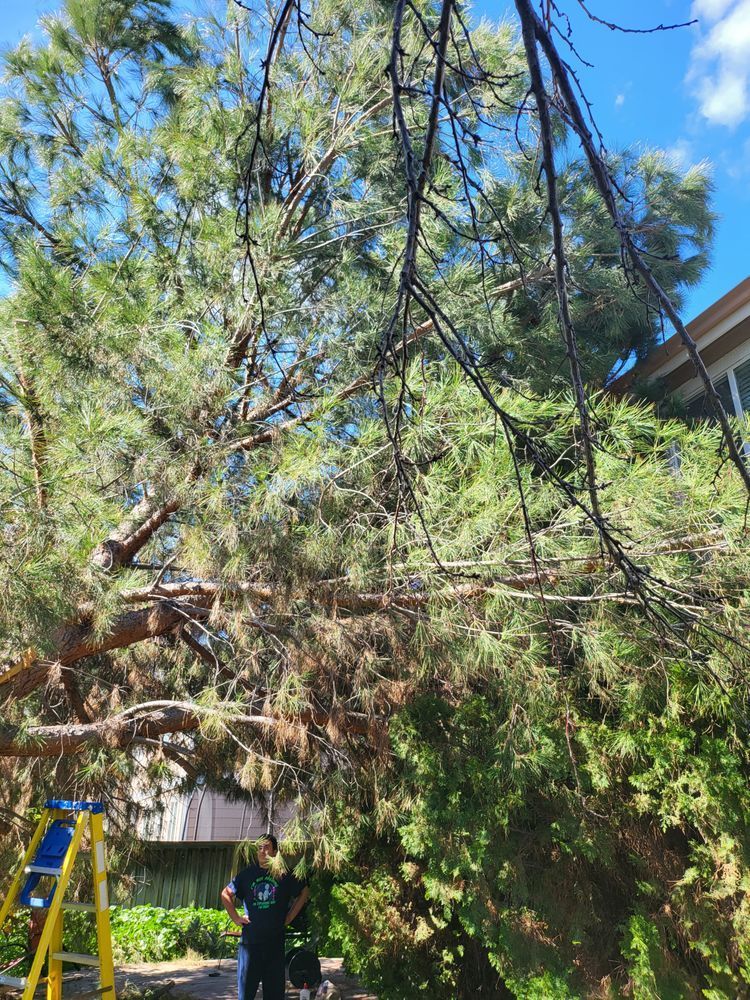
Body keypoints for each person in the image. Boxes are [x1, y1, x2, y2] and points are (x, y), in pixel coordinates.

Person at [221, 833, 309, 1000]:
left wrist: (290, 917)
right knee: (246, 993)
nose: (262, 851)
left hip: (275, 943)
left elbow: (304, 892)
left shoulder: (284, 875)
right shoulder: (247, 875)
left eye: (266, 847)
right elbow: (226, 894)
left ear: (275, 852)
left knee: (274, 994)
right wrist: (235, 917)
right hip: (251, 944)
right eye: (259, 848)